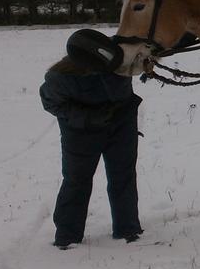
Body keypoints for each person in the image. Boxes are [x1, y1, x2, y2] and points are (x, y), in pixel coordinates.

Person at [40, 32, 143, 249]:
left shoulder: (120, 62)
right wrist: (88, 117)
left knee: (123, 177)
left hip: (121, 126)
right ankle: (67, 236)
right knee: (76, 181)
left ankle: (128, 229)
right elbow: (52, 104)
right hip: (80, 134)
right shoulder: (58, 78)